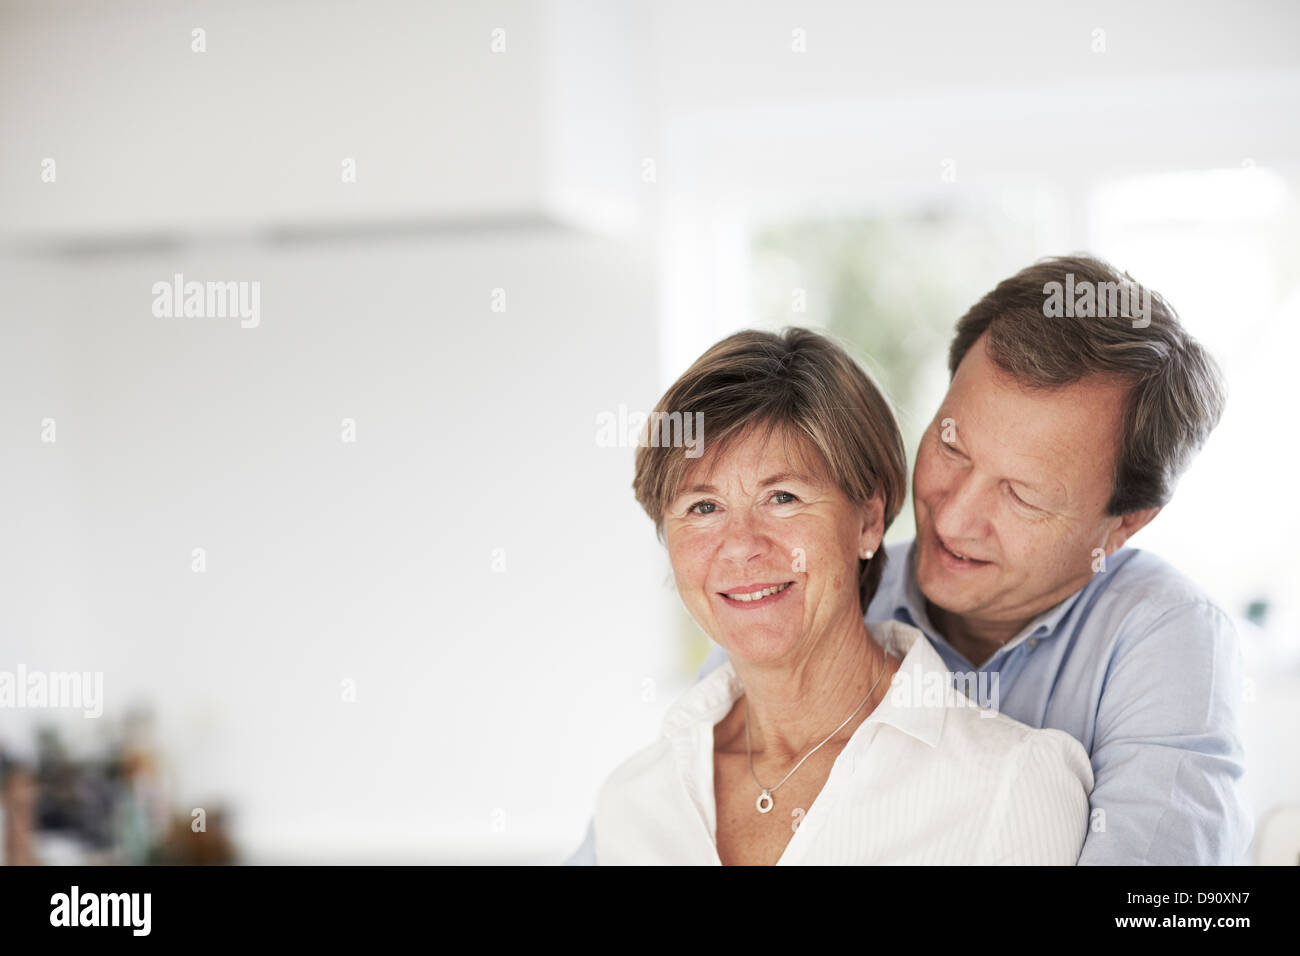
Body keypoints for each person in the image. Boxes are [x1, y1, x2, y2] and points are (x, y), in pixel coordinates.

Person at [567, 255, 1250, 866]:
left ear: (1124, 523)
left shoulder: (1162, 638)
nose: (949, 518)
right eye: (952, 447)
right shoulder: (796, 596)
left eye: (1021, 495)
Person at [586, 327, 1093, 865]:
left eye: (782, 497)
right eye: (702, 507)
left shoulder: (1011, 783)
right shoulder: (635, 803)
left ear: (869, 523)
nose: (739, 547)